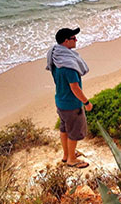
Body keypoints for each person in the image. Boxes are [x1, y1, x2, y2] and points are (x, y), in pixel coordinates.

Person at [46, 27, 92, 168]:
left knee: (64, 128)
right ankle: (72, 159)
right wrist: (86, 102)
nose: (76, 40)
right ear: (66, 41)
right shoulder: (68, 65)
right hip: (72, 104)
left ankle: (66, 155)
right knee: (74, 131)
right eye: (73, 38)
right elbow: (75, 87)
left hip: (60, 100)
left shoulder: (55, 57)